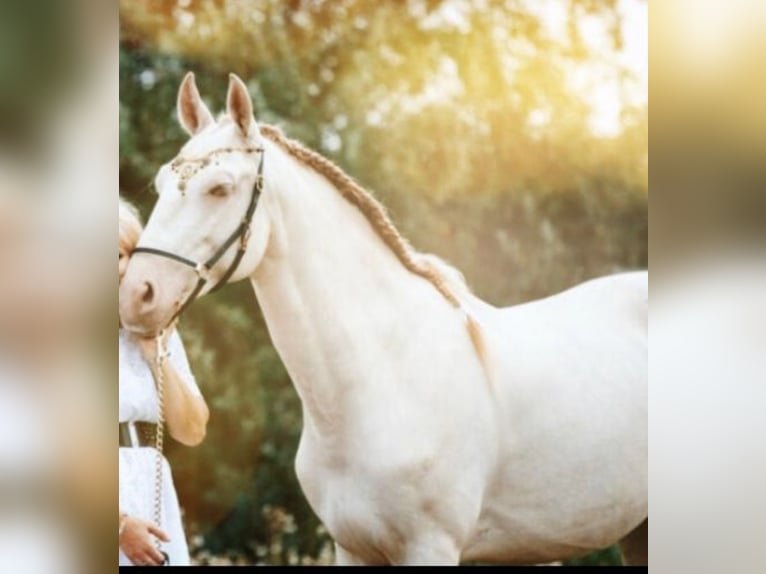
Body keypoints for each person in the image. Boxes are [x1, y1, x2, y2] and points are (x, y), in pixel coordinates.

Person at [118, 198, 209, 566]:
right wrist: (118, 525)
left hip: (150, 487)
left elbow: (191, 430)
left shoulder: (160, 332)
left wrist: (155, 355)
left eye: (118, 255)